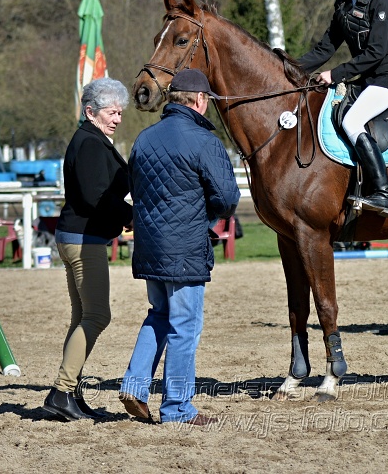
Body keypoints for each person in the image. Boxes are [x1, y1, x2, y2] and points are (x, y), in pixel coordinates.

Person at [119, 68, 240, 426]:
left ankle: (135, 385)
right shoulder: (204, 141)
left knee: (158, 314)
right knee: (185, 325)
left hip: (149, 244)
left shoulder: (144, 138)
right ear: (200, 100)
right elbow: (229, 198)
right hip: (185, 247)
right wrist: (205, 217)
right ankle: (177, 409)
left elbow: (137, 190)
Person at [297, 0, 388, 217]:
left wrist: (335, 74)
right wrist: (289, 67)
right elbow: (325, 48)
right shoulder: (343, 4)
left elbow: (377, 53)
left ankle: (384, 193)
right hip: (366, 81)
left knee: (352, 119)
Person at [43, 78, 133, 422]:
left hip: (75, 236)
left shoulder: (92, 139)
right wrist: (131, 217)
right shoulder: (92, 144)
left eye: (120, 112)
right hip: (84, 239)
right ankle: (62, 391)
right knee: (97, 316)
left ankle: (69, 393)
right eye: (112, 112)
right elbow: (98, 197)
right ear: (90, 111)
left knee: (83, 317)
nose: (118, 118)